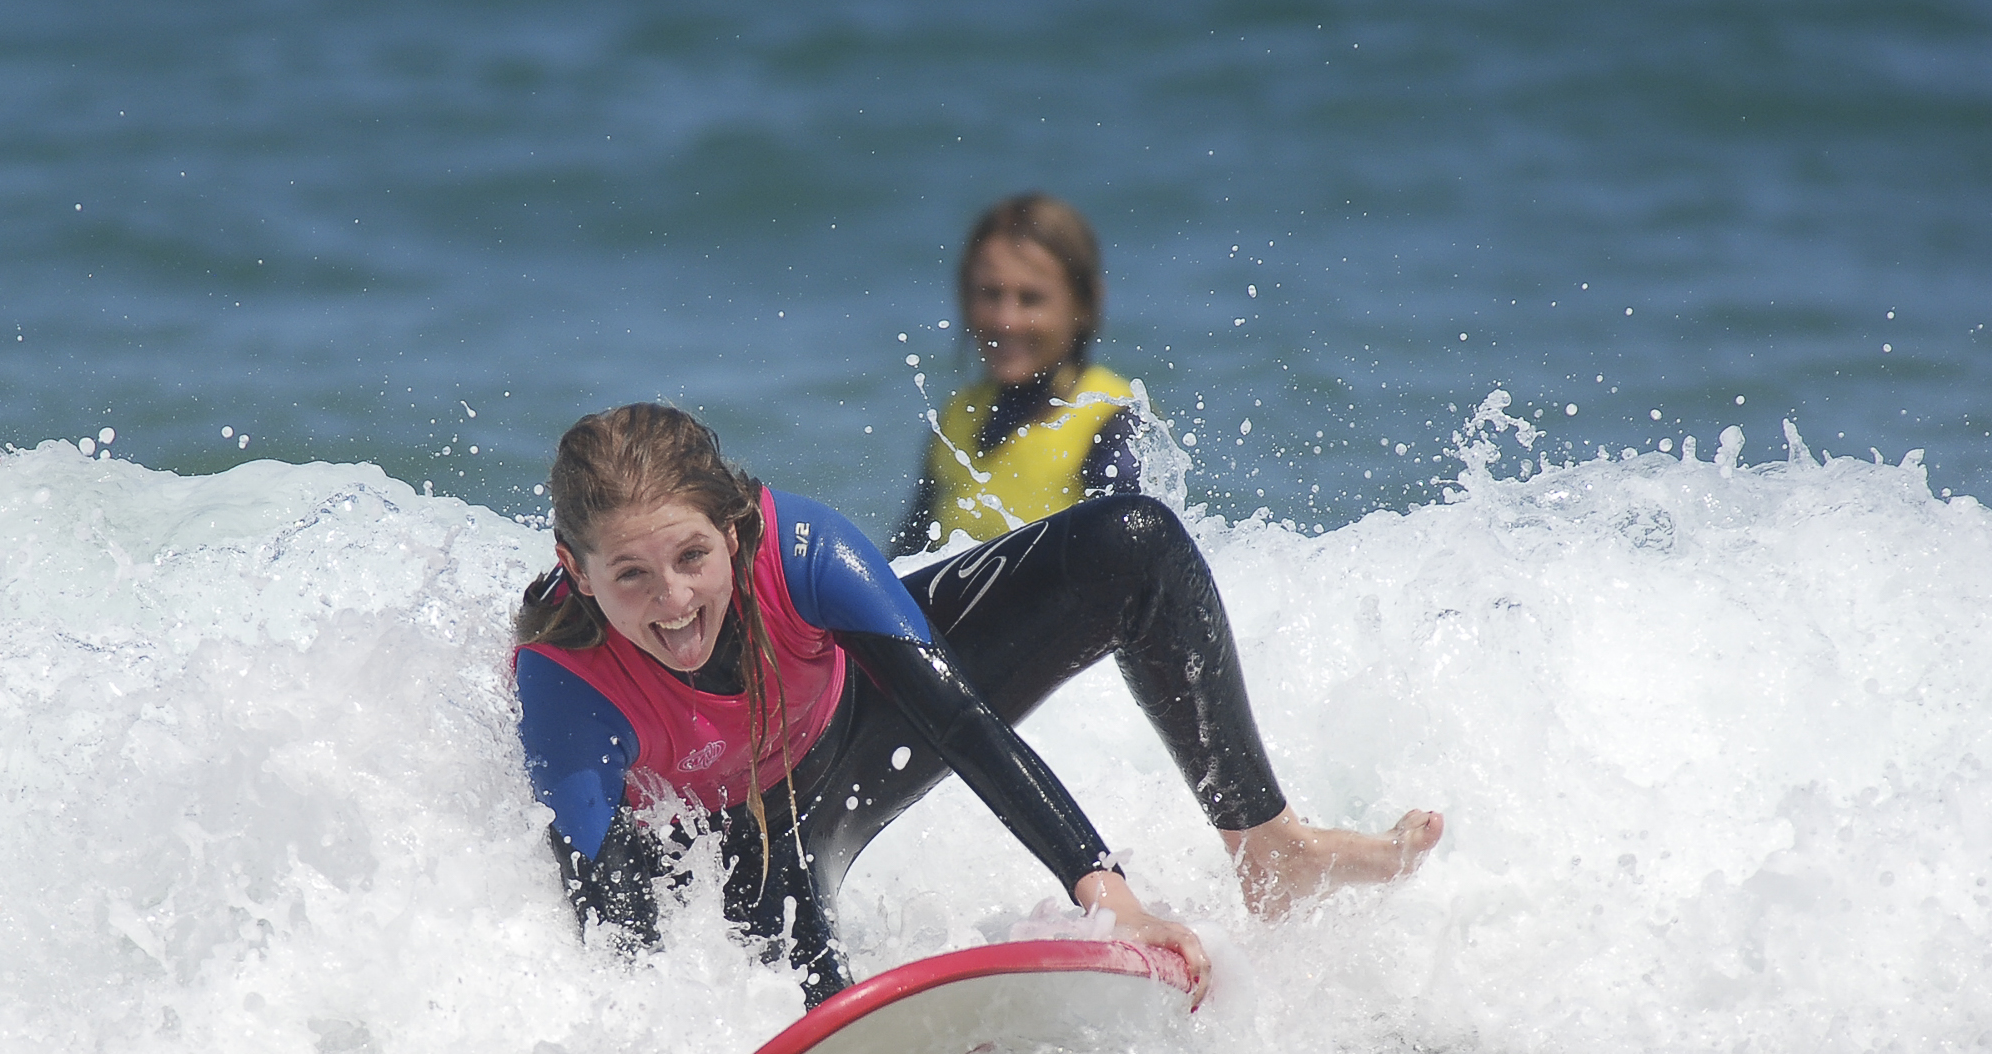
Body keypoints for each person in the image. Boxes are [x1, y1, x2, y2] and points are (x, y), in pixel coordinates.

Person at [513, 403, 1442, 1012]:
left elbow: (955, 720)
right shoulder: (568, 681)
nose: (672, 602)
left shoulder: (800, 552)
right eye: (628, 575)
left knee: (1130, 543)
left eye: (688, 559)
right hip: (744, 842)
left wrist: (1105, 892)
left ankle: (1271, 849)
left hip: (861, 727)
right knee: (814, 1013)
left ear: (734, 527)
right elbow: (601, 896)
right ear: (576, 571)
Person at [894, 192, 1145, 555]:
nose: (1005, 321)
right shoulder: (955, 419)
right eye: (990, 294)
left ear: (1085, 304)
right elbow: (902, 566)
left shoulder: (1112, 419)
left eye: (1031, 299)